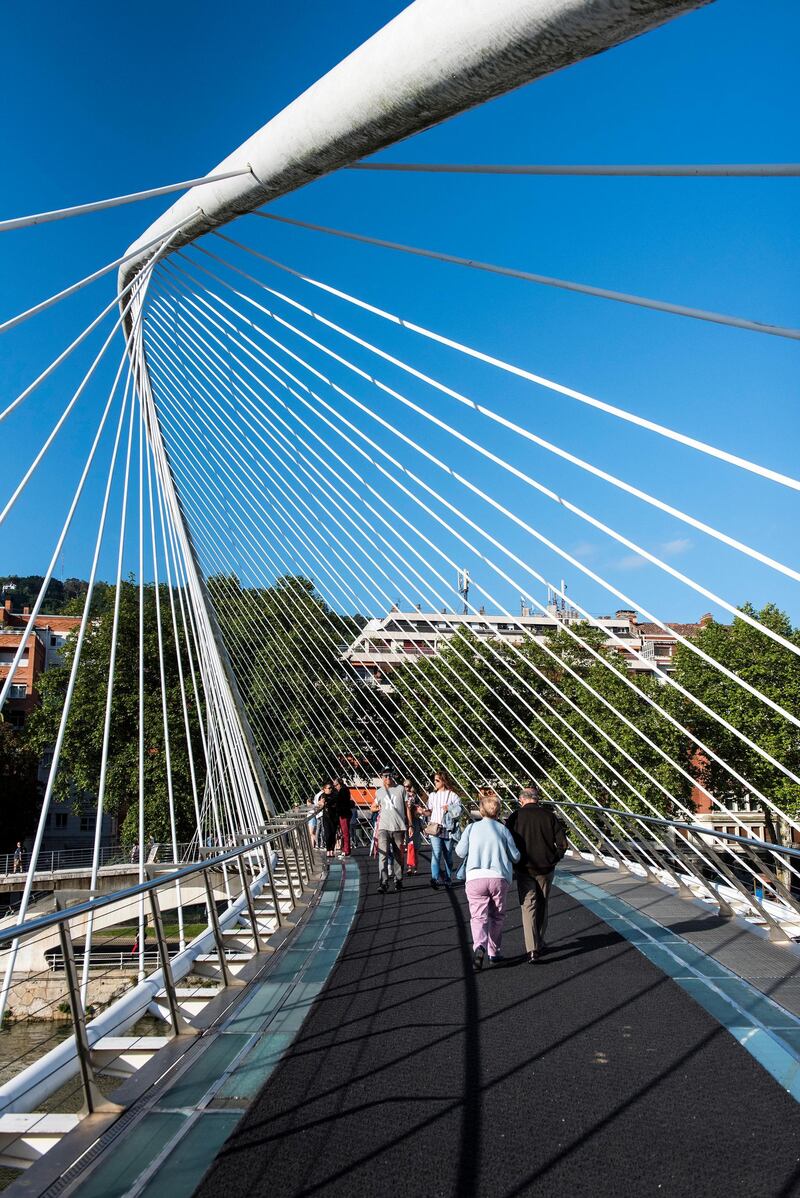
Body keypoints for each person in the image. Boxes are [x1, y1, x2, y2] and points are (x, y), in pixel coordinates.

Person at [455, 793, 520, 970]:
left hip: (475, 877)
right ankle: (494, 952)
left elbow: (460, 852)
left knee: (478, 917)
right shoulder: (503, 830)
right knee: (497, 916)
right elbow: (515, 857)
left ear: (481, 810)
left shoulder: (471, 828)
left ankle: (480, 946)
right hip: (498, 877)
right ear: (498, 812)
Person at [506, 784, 568, 962]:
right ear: (537, 799)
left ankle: (532, 948)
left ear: (521, 800)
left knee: (528, 906)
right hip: (546, 868)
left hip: (524, 867)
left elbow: (507, 841)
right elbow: (563, 844)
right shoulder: (550, 816)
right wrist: (554, 858)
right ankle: (540, 940)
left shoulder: (515, 816)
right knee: (543, 904)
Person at [371, 769, 411, 893]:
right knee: (382, 855)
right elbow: (372, 807)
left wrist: (410, 825)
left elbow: (407, 808)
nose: (387, 778)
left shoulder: (400, 789)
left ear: (393, 776)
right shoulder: (379, 792)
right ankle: (383, 882)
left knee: (398, 855)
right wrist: (377, 807)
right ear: (381, 777)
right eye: (385, 776)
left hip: (398, 827)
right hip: (383, 827)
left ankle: (398, 879)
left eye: (390, 775)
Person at [426, 770, 461, 889]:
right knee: (436, 854)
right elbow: (429, 811)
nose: (434, 782)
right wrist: (422, 812)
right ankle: (434, 879)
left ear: (443, 781)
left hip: (448, 830)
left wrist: (450, 808)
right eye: (434, 780)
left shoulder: (453, 795)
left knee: (448, 856)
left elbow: (459, 811)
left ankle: (447, 878)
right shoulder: (432, 795)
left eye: (437, 780)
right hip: (435, 829)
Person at [404, 779, 426, 874]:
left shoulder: (414, 797)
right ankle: (409, 866)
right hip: (405, 823)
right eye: (404, 786)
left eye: (408, 786)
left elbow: (418, 809)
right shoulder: (401, 796)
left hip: (414, 823)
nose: (406, 788)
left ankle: (414, 866)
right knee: (409, 845)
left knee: (415, 846)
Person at [333, 777, 354, 857]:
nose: (335, 787)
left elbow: (341, 803)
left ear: (340, 784)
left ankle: (346, 850)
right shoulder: (344, 790)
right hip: (344, 813)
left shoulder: (343, 791)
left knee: (345, 833)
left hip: (343, 814)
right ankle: (345, 849)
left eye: (336, 785)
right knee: (344, 832)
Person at [318, 781, 340, 860]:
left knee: (333, 834)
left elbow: (335, 802)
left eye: (331, 788)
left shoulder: (335, 795)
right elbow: (320, 803)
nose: (330, 789)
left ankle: (332, 850)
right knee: (327, 834)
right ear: (324, 789)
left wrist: (326, 803)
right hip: (326, 818)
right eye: (329, 788)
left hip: (334, 817)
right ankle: (328, 849)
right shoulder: (322, 795)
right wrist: (322, 803)